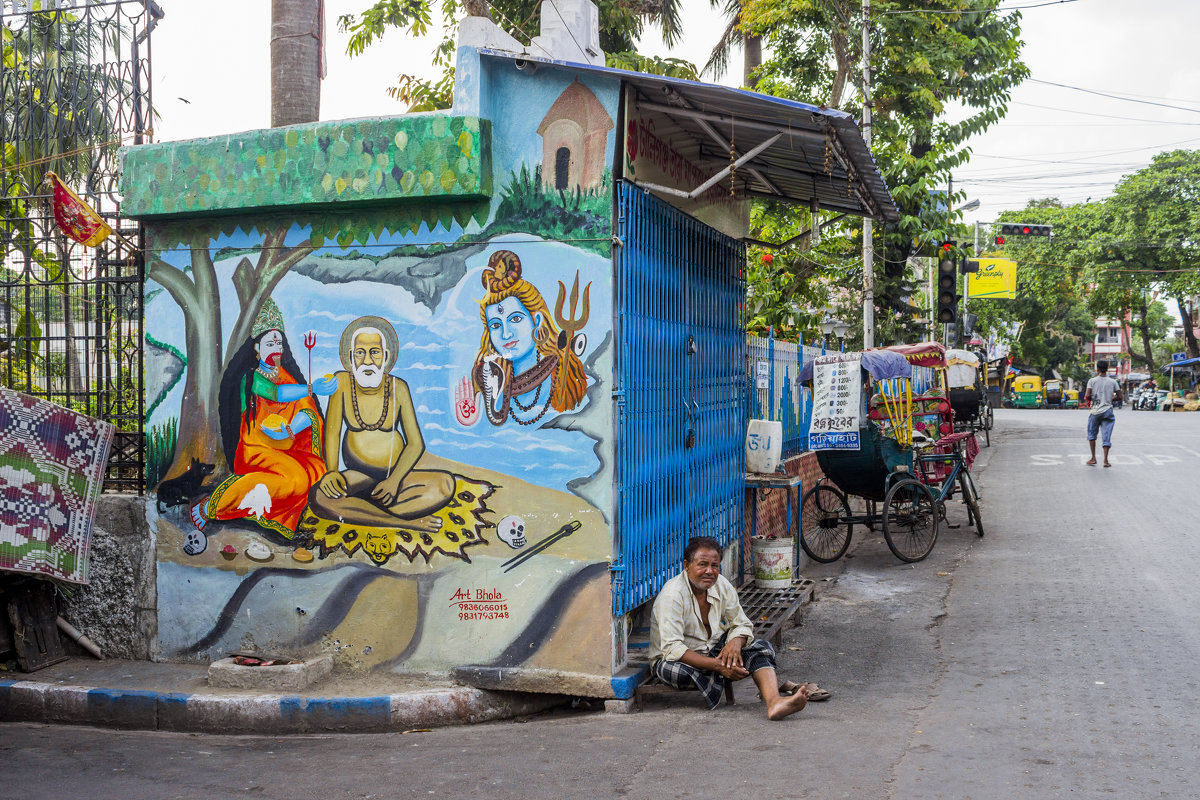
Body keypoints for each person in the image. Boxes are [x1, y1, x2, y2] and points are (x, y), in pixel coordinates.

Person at [193, 298, 336, 537]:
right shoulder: (251, 378)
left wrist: (291, 428)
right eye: (270, 343)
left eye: (279, 343)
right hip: (255, 448)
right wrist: (312, 387)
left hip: (285, 446)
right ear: (257, 349)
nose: (276, 348)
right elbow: (277, 393)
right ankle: (212, 506)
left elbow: (305, 407)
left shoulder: (286, 375)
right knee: (294, 479)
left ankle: (261, 510)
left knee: (308, 473)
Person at [649, 536, 829, 720]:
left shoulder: (720, 584)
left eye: (715, 565)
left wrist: (735, 642)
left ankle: (775, 702)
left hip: (712, 650)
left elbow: (741, 622)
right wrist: (719, 666)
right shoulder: (672, 595)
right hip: (676, 660)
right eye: (702, 564)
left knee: (760, 647)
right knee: (678, 672)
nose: (709, 571)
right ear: (686, 565)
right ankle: (725, 672)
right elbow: (673, 649)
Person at [310, 316, 454, 529]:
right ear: (351, 357)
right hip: (358, 477)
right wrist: (331, 472)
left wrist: (394, 482)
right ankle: (405, 522)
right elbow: (332, 433)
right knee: (321, 496)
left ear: (385, 357)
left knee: (444, 485)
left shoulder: (398, 388)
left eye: (374, 352)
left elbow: (415, 444)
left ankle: (369, 514)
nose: (367, 360)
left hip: (396, 478)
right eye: (360, 352)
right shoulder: (341, 383)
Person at [471, 250, 588, 426]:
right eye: (495, 325)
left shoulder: (563, 377)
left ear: (537, 321)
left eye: (515, 319)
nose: (506, 334)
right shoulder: (490, 382)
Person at [1084, 360, 1121, 468]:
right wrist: (1110, 399)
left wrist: (1094, 398)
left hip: (1095, 410)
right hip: (1108, 410)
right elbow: (1120, 397)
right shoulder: (1113, 382)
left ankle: (1093, 458)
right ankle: (1105, 460)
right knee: (1106, 435)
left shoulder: (1092, 381)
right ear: (1107, 368)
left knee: (1092, 434)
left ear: (1097, 369)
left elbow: (1087, 395)